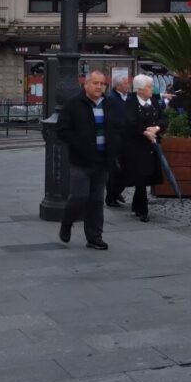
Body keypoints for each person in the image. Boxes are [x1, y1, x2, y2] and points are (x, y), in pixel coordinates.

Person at [55, 68, 119, 250]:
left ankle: (94, 237)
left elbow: (118, 127)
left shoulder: (109, 104)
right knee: (80, 197)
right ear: (86, 84)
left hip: (102, 160)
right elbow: (62, 129)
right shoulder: (74, 104)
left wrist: (115, 147)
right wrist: (79, 144)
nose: (99, 87)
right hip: (81, 160)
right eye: (95, 83)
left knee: (97, 200)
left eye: (102, 84)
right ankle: (67, 221)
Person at [120, 74, 169, 222]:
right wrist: (144, 131)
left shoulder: (153, 101)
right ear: (140, 90)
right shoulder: (130, 103)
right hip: (135, 146)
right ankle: (143, 210)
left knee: (147, 175)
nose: (151, 89)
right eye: (149, 86)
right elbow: (130, 122)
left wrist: (156, 128)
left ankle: (136, 205)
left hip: (151, 145)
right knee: (140, 176)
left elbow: (163, 118)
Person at [104, 73, 131, 207]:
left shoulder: (126, 97)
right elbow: (111, 120)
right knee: (115, 170)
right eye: (126, 83)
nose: (128, 85)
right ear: (118, 86)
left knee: (126, 169)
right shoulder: (111, 99)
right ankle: (111, 197)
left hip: (126, 139)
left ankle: (116, 191)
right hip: (115, 140)